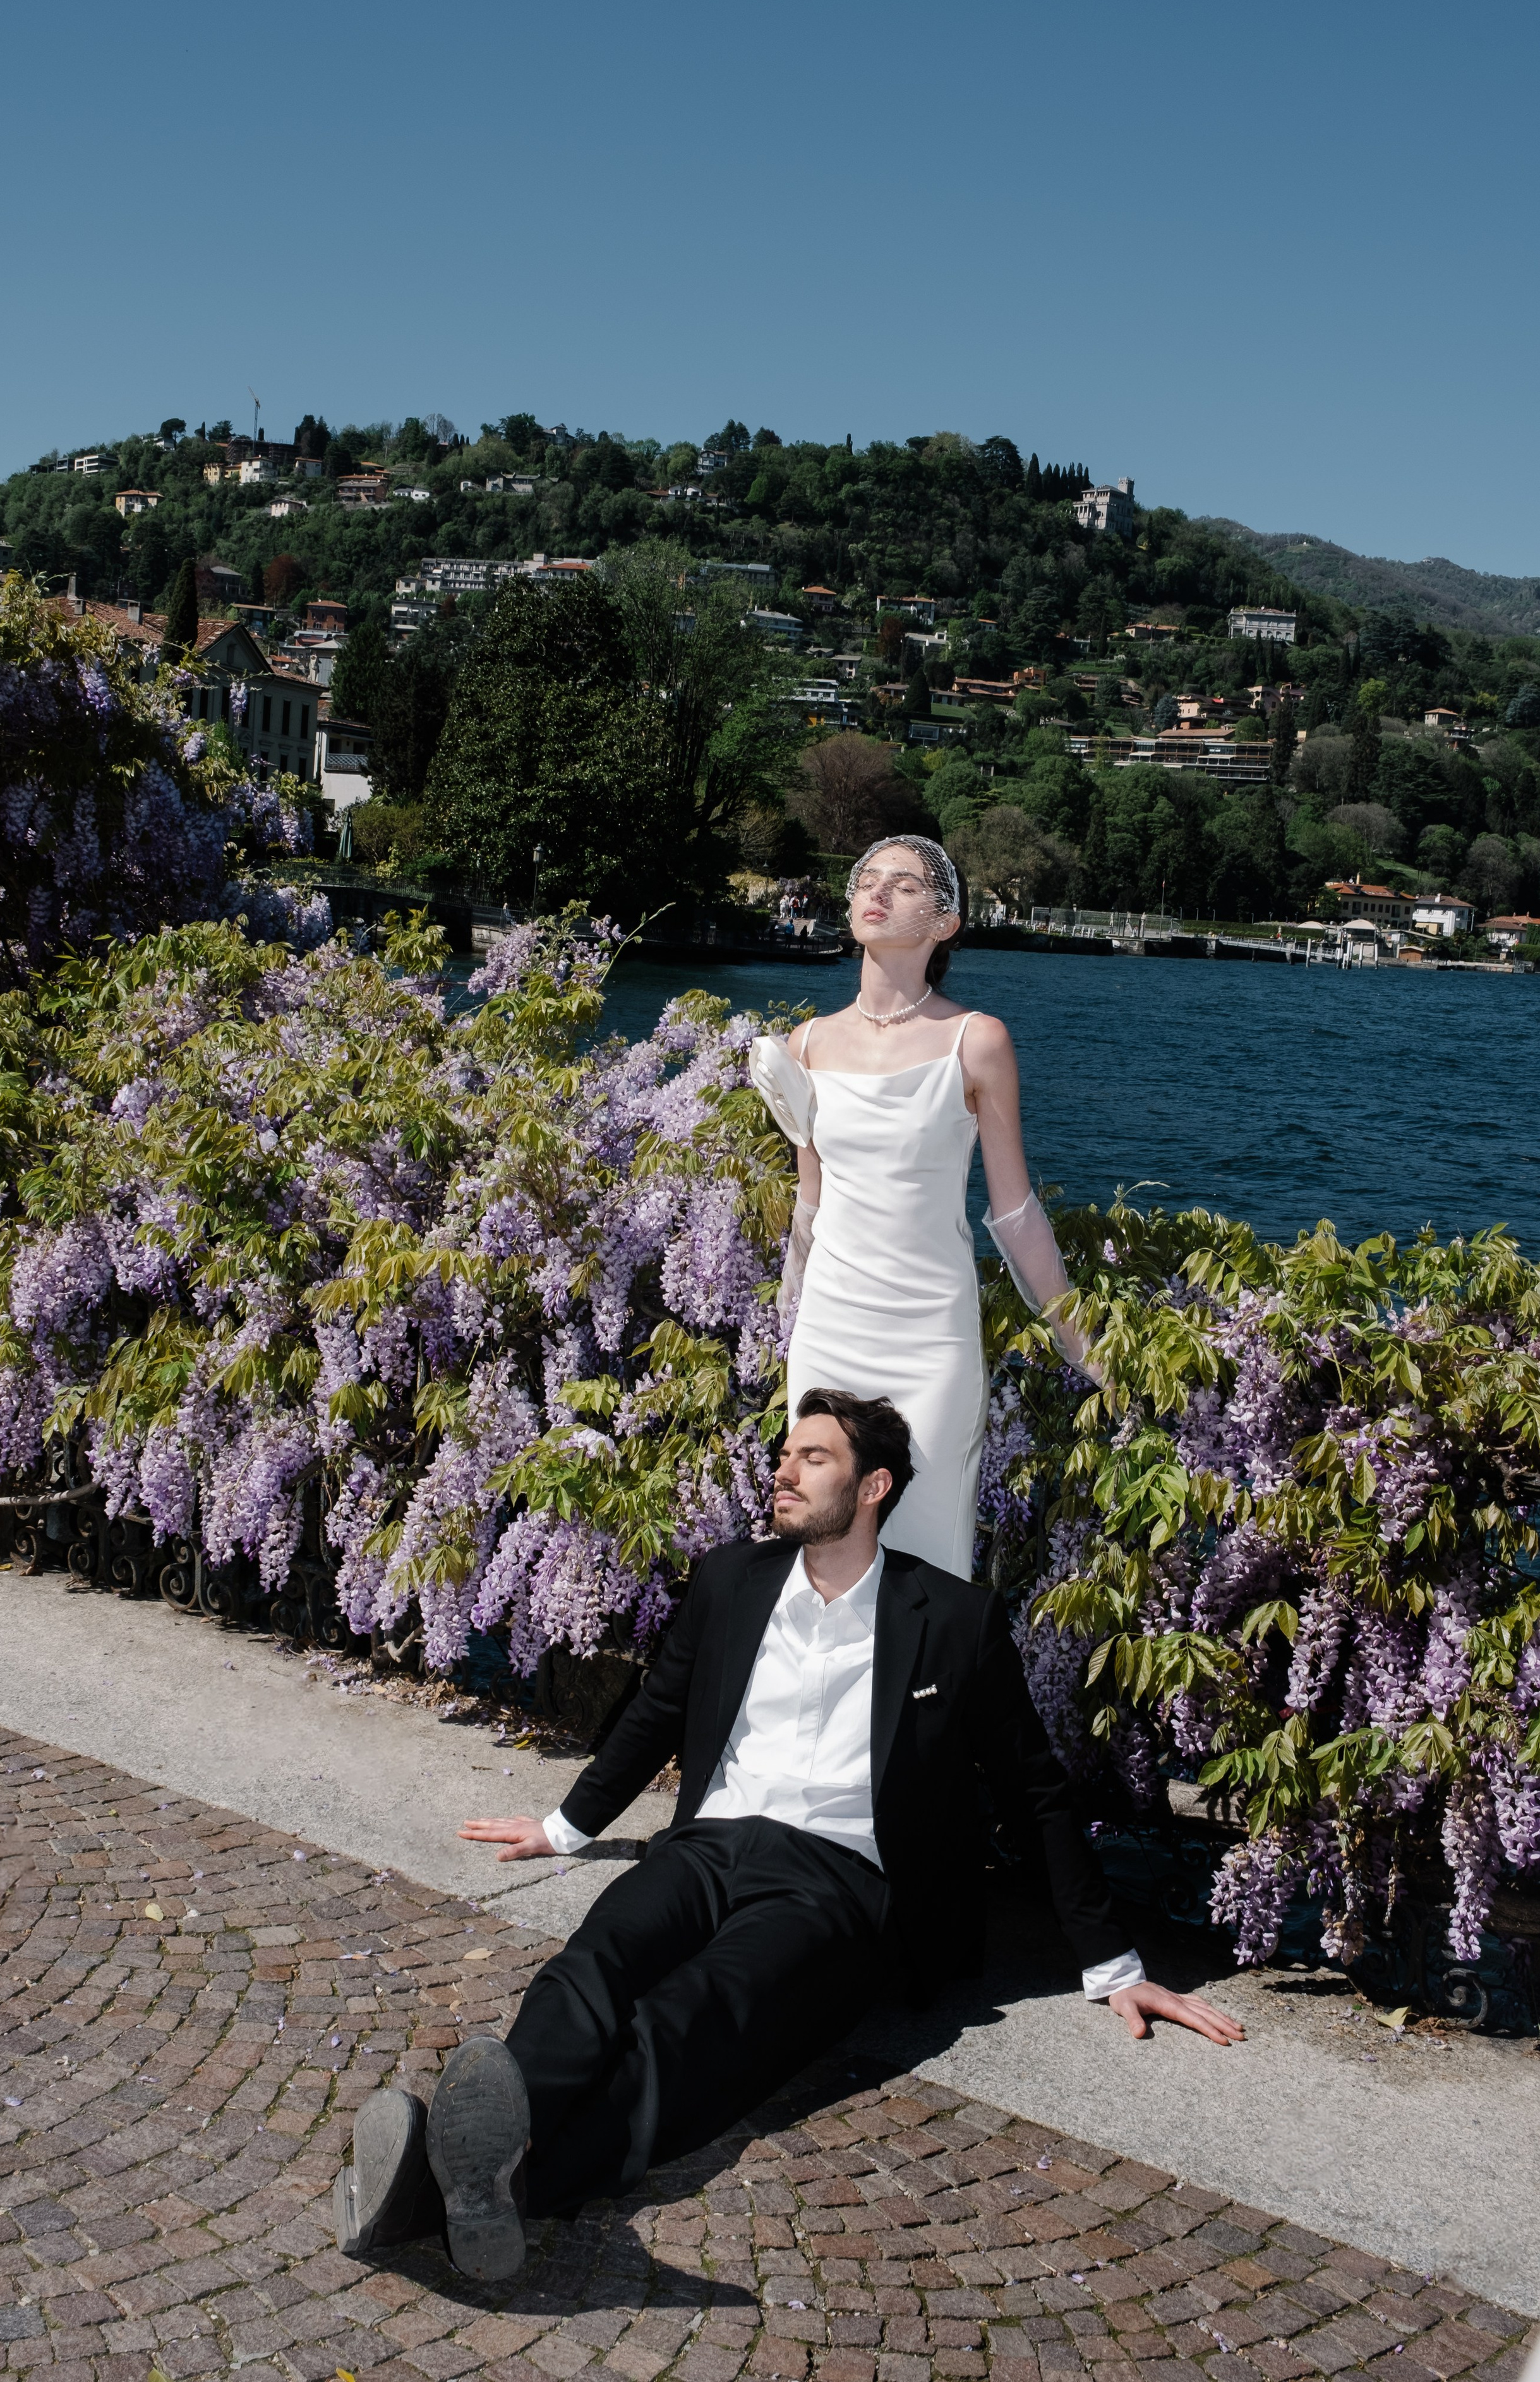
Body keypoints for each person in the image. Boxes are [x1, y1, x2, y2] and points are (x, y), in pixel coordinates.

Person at [332, 1391, 1243, 2280]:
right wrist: (566, 1827)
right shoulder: (733, 1580)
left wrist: (1114, 1969)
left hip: (838, 1882)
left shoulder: (954, 1623)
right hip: (707, 1846)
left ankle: (450, 2196)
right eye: (784, 1455)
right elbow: (657, 1710)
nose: (785, 1469)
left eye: (814, 1457)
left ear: (874, 1486)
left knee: (695, 2020)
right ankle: (483, 2167)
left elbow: (1034, 1790)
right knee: (593, 1966)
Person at [749, 833, 1086, 1580]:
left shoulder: (976, 1041)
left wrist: (1078, 1337)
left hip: (930, 1338)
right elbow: (812, 1202)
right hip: (830, 1329)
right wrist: (789, 1311)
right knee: (816, 1552)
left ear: (945, 922)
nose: (875, 892)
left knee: (925, 1557)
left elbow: (1015, 1212)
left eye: (901, 885)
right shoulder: (803, 1045)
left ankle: (914, 1701)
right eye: (865, 880)